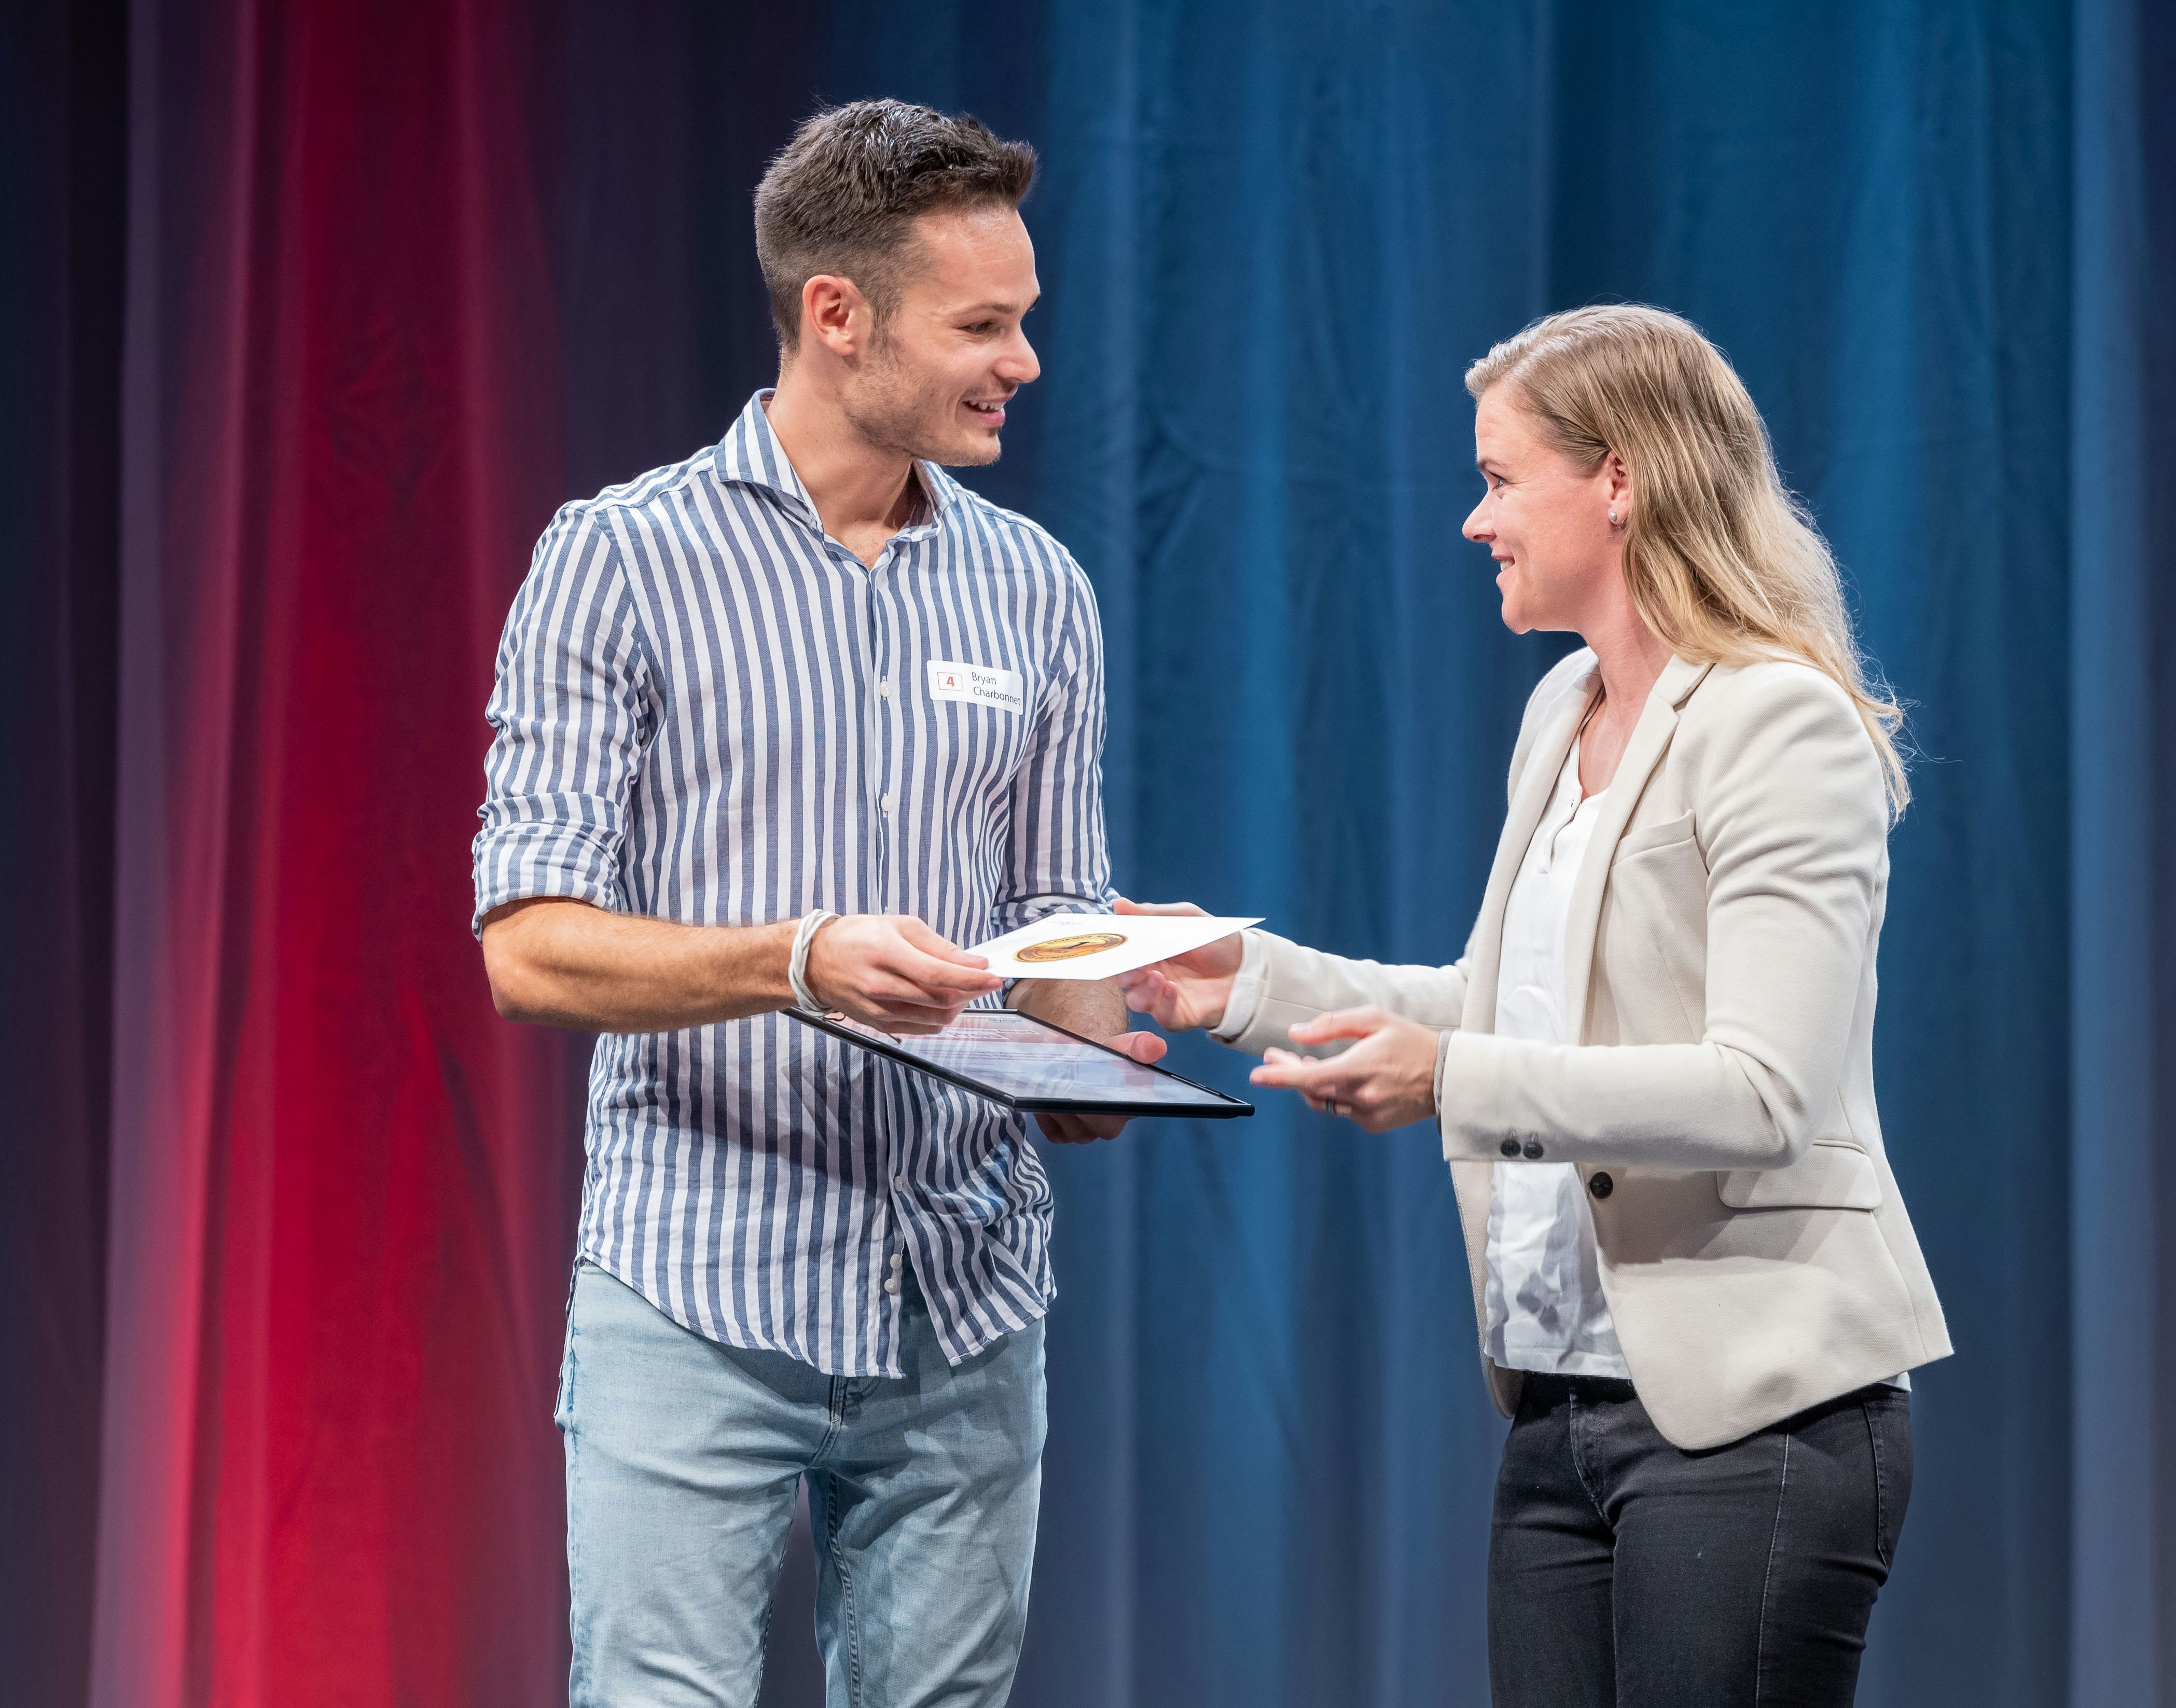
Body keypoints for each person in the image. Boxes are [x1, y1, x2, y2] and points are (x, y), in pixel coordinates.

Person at [1118, 305, 1952, 1707]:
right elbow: (1507, 1001)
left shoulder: (1773, 721)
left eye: (1501, 480)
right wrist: (1241, 982)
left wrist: (1446, 1077)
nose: (1472, 520)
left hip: (1754, 1410)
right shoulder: (1561, 708)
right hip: (1560, 1409)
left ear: (1616, 480)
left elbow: (1761, 1093)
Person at [473, 100, 1155, 1708]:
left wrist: (1107, 1036)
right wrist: (796, 962)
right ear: (836, 316)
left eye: (1025, 321)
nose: (1023, 361)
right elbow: (529, 946)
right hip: (696, 1287)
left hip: (964, 1299)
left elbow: (1059, 906)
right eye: (983, 325)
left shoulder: (1034, 585)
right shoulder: (617, 560)